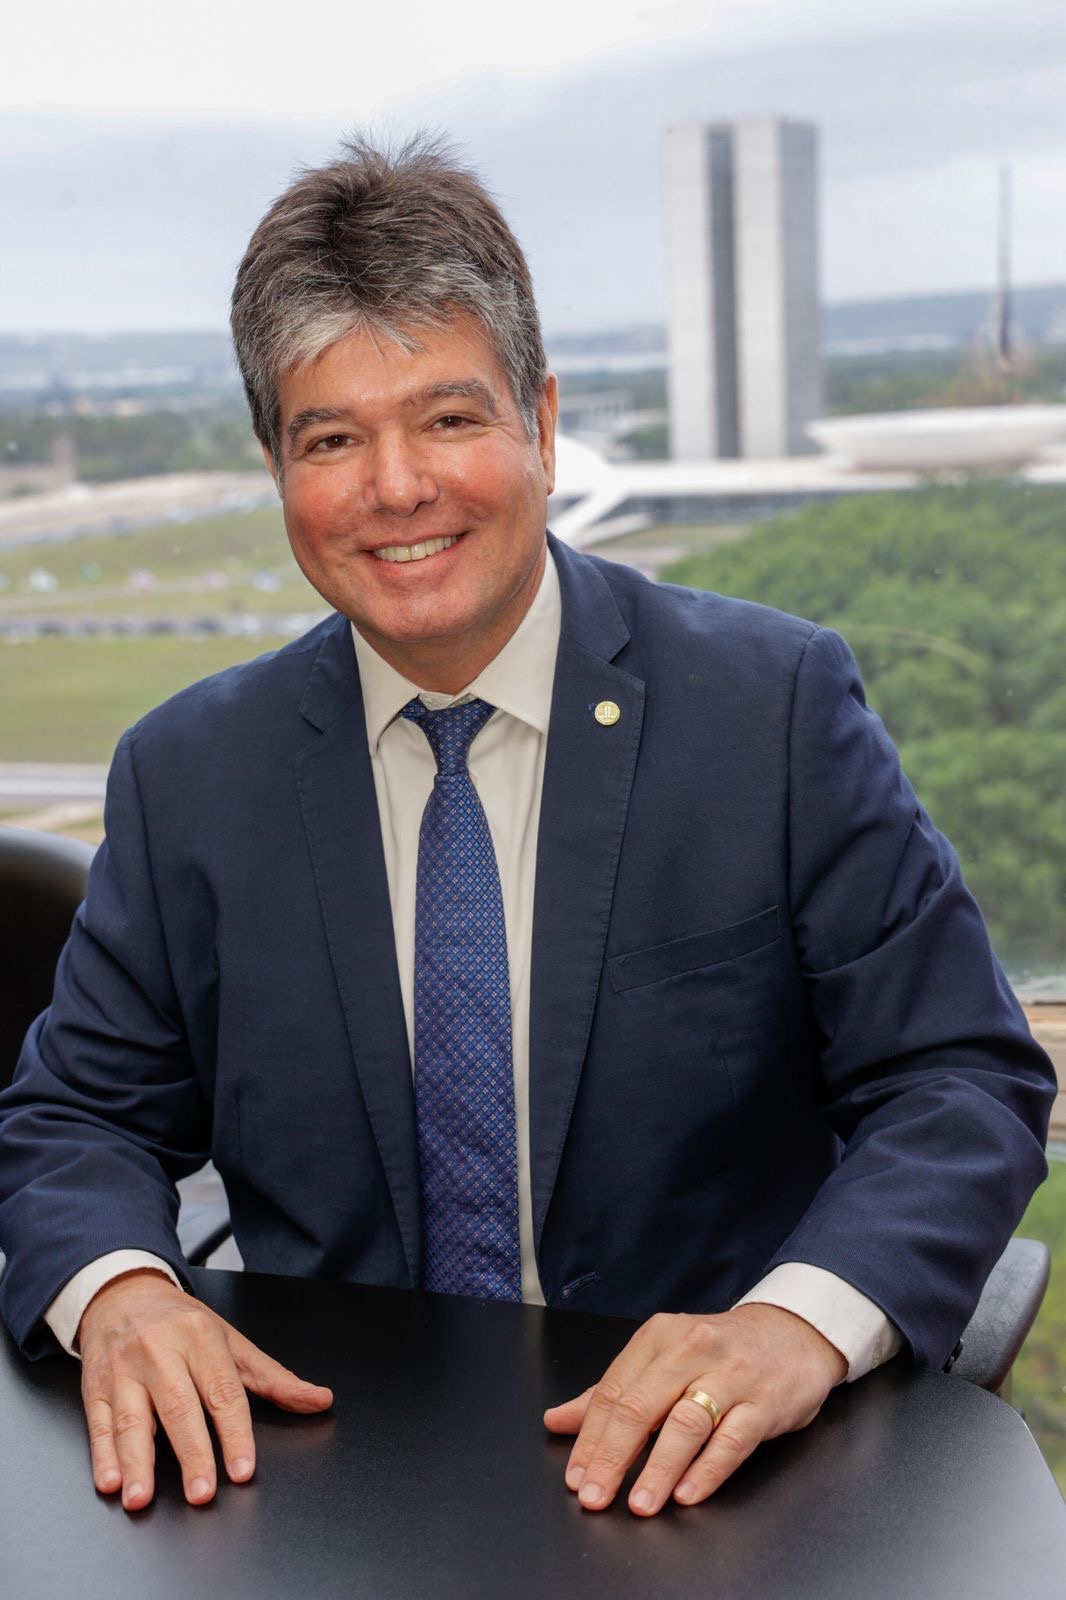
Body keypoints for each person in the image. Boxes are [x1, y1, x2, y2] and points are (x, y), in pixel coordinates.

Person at [0, 135, 1054, 1521]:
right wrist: (123, 1293)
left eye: (448, 419)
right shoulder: (187, 773)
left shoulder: (773, 710)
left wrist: (795, 1323)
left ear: (542, 425)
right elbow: (75, 1116)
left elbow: (957, 1080)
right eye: (331, 438)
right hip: (326, 1477)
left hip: (711, 1478)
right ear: (276, 469)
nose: (395, 487)